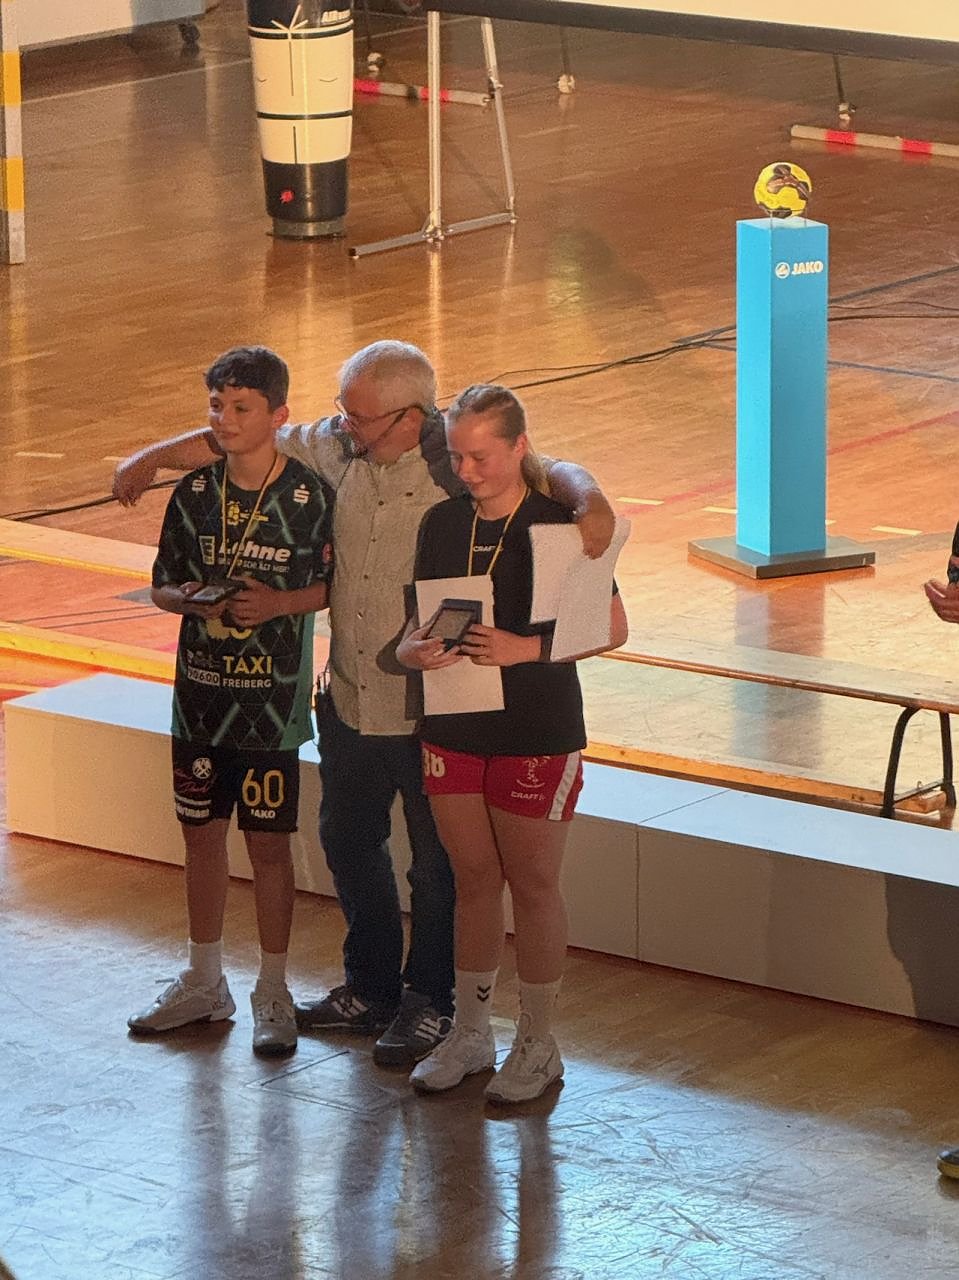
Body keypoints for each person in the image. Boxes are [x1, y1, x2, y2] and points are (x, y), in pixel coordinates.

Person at [114, 340, 616, 1069]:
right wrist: (150, 460)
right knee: (348, 844)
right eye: (343, 413)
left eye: (361, 418)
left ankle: (431, 1002)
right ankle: (370, 986)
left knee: (437, 870)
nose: (344, 427)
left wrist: (592, 500)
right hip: (349, 697)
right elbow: (244, 434)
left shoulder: (458, 460)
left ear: (412, 418)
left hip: (429, 709)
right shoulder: (339, 443)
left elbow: (549, 468)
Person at [396, 384, 628, 1103]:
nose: (466, 471)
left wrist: (524, 650)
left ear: (520, 447)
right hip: (454, 725)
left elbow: (612, 628)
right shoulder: (442, 523)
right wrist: (409, 652)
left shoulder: (559, 526)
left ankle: (537, 1041)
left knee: (531, 885)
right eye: (456, 456)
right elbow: (421, 623)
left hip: (536, 730)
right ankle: (471, 1033)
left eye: (481, 457)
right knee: (471, 881)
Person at [127, 346, 330, 1056]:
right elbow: (161, 584)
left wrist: (277, 604)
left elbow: (333, 586)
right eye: (216, 406)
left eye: (241, 407)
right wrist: (182, 598)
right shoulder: (194, 493)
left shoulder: (308, 496)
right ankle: (204, 979)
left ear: (278, 416)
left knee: (269, 846)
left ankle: (272, 988)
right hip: (199, 700)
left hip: (269, 705)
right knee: (200, 837)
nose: (225, 419)